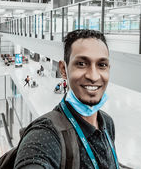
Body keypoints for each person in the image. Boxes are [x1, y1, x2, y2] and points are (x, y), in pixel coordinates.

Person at [14, 29, 119, 168]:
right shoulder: (46, 133)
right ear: (63, 69)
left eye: (102, 65)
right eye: (81, 63)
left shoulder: (107, 123)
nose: (94, 76)